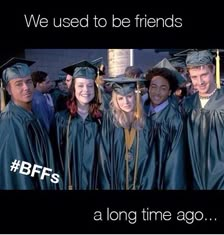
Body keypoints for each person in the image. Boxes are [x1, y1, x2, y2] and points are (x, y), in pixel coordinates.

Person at [0, 57, 60, 189]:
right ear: (8, 89)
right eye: (18, 84)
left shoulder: (30, 114)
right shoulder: (10, 122)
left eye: (28, 82)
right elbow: (18, 171)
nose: (26, 87)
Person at [183, 50, 224, 190]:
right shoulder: (187, 104)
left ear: (212, 69)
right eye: (194, 77)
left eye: (204, 75)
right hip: (195, 178)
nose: (199, 82)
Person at [98, 76, 157, 190]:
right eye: (120, 98)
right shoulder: (110, 122)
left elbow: (151, 162)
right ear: (115, 100)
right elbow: (104, 156)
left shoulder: (147, 124)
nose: (125, 102)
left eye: (129, 96)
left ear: (136, 97)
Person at [51, 60, 102, 190]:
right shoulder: (61, 119)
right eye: (80, 85)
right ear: (73, 88)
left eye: (90, 85)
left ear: (95, 89)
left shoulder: (102, 120)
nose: (85, 90)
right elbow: (54, 157)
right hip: (68, 184)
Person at [144, 67, 187, 189]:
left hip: (161, 180)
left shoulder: (175, 119)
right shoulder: (140, 113)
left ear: (169, 92)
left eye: (163, 88)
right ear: (148, 88)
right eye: (153, 87)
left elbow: (176, 161)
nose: (157, 92)